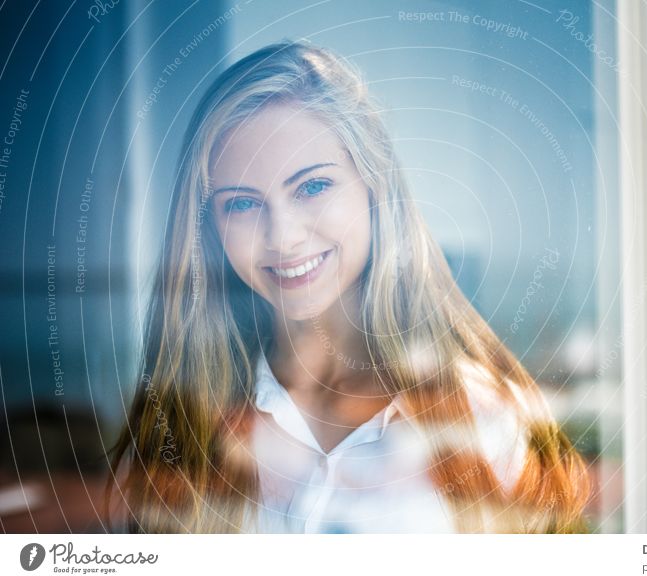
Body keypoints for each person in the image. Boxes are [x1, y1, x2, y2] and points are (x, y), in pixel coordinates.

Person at [105, 40, 590, 534]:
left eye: (313, 186)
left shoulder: (483, 417)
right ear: (210, 228)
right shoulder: (177, 432)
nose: (284, 237)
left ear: (374, 187)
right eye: (243, 204)